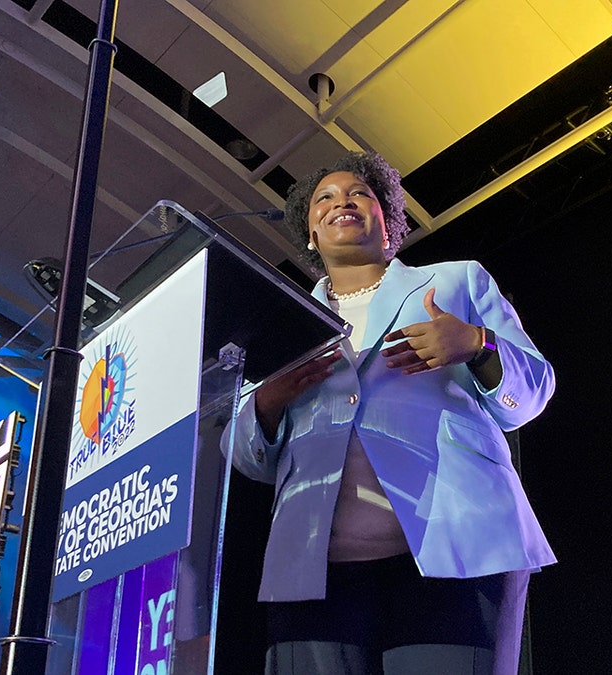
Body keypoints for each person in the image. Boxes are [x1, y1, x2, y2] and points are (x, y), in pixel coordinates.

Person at [223, 151, 555, 674]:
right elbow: (247, 460)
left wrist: (476, 343)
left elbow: (531, 395)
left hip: (457, 552)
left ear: (388, 219)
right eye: (323, 199)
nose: (341, 203)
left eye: (359, 193)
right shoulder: (282, 321)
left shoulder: (456, 282)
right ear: (309, 233)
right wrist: (266, 401)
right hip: (315, 573)